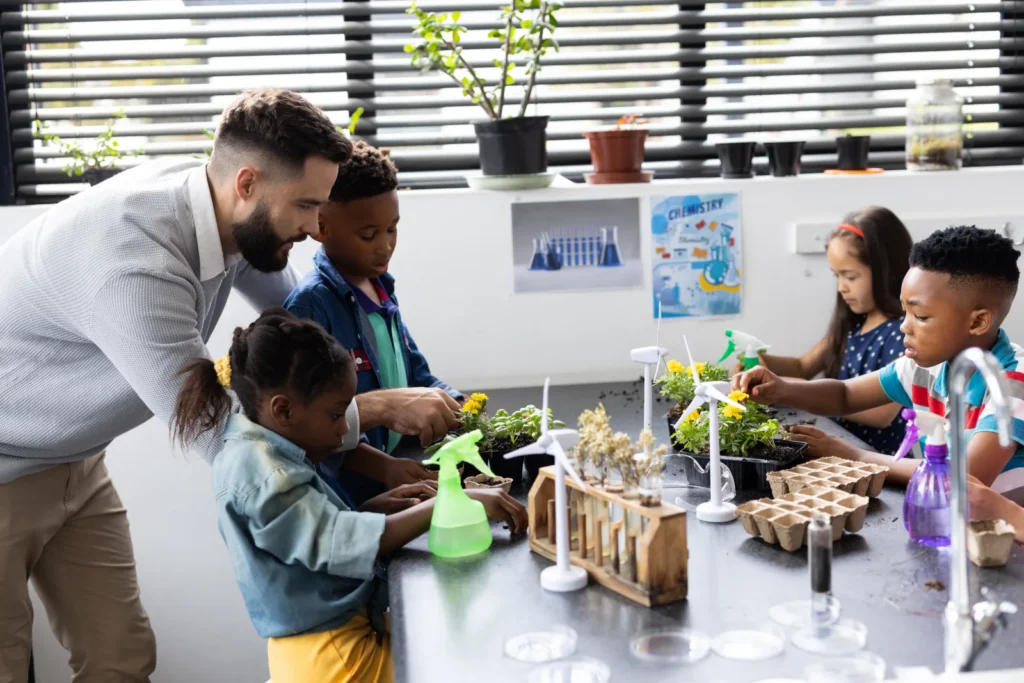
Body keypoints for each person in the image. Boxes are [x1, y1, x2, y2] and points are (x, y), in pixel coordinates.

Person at [0, 89, 457, 682]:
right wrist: (372, 411)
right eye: (307, 206)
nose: (317, 228)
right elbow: (220, 435)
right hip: (6, 465)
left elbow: (293, 322)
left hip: (75, 461)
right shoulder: (136, 263)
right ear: (247, 183)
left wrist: (372, 472)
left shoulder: (231, 215)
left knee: (121, 659)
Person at [171, 309, 527, 683]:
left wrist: (368, 510)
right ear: (283, 409)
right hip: (334, 658)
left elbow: (306, 538)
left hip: (321, 648)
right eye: (336, 415)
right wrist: (452, 503)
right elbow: (338, 543)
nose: (344, 430)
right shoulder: (266, 473)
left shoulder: (255, 450)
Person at [736, 225, 1024, 489]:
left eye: (921, 316)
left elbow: (964, 478)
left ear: (977, 322)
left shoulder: (1012, 385)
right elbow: (845, 394)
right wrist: (782, 388)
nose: (903, 326)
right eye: (905, 311)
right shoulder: (925, 366)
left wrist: (853, 455)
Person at [285, 141, 462, 505]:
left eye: (392, 229)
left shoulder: (382, 289)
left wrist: (461, 406)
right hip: (350, 496)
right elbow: (310, 427)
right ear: (321, 227)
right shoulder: (311, 306)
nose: (384, 246)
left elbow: (413, 372)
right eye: (368, 235)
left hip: (395, 472)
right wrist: (383, 468)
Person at [751, 207, 912, 454]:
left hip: (877, 460)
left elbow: (881, 414)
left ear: (885, 270)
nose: (841, 288)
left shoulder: (903, 333)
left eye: (850, 276)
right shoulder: (854, 323)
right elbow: (804, 366)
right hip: (838, 446)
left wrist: (786, 391)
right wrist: (760, 364)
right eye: (836, 276)